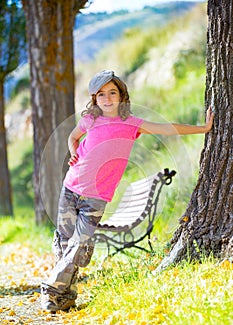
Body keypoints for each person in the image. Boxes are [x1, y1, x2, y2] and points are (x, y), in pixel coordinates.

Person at [41, 70, 214, 312]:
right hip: (70, 188)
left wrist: (203, 128)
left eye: (113, 92)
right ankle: (65, 295)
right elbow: (73, 136)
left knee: (78, 245)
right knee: (64, 243)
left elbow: (167, 128)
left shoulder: (131, 124)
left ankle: (50, 290)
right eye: (101, 94)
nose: (108, 98)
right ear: (94, 98)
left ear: (122, 96)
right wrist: (74, 153)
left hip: (96, 198)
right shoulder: (90, 120)